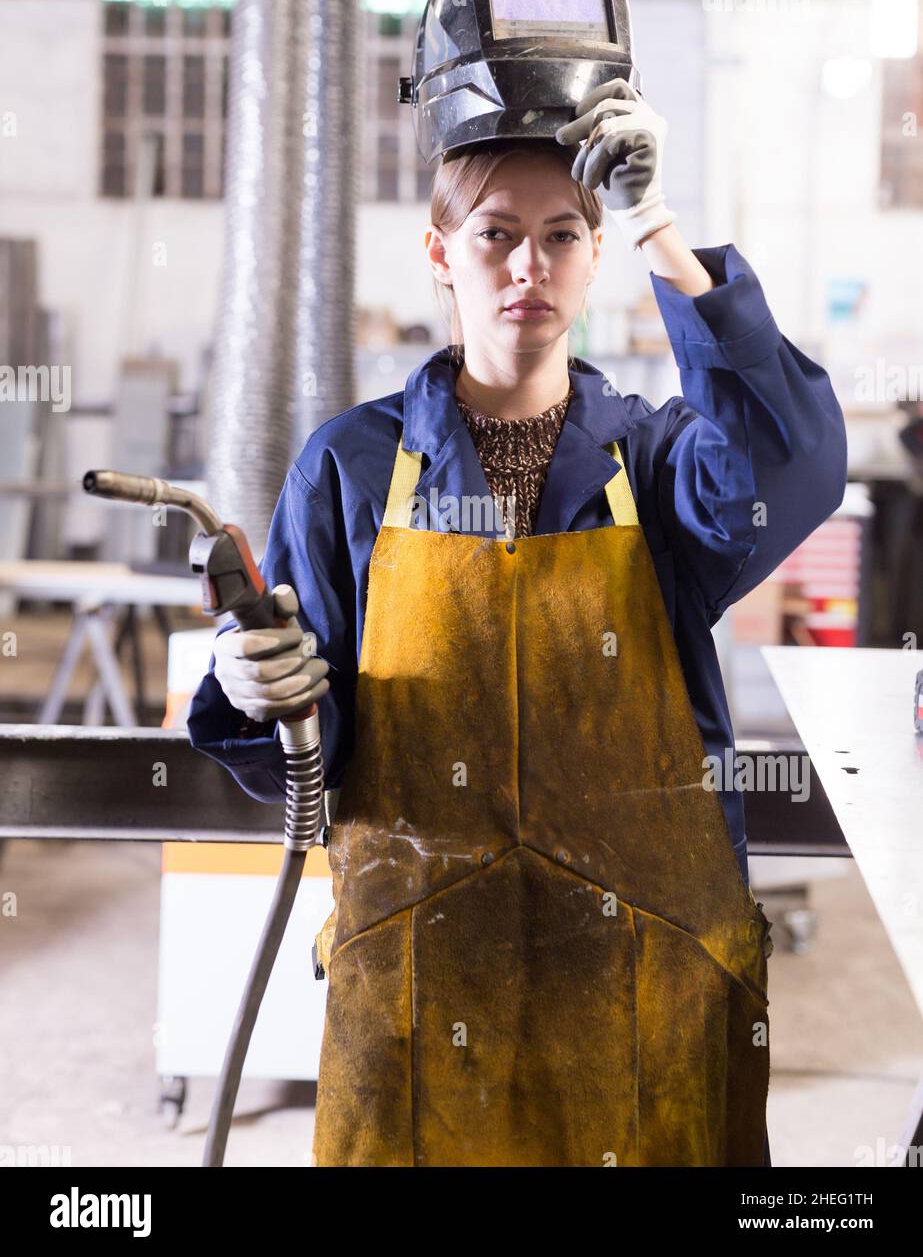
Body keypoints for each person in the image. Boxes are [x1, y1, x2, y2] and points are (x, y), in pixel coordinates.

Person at [188, 80, 848, 1167]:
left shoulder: (654, 458)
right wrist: (260, 690)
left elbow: (791, 463)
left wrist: (656, 224)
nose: (528, 267)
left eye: (562, 235)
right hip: (421, 991)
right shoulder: (351, 467)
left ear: (593, 259)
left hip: (642, 990)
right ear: (442, 253)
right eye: (496, 234)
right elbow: (315, 742)